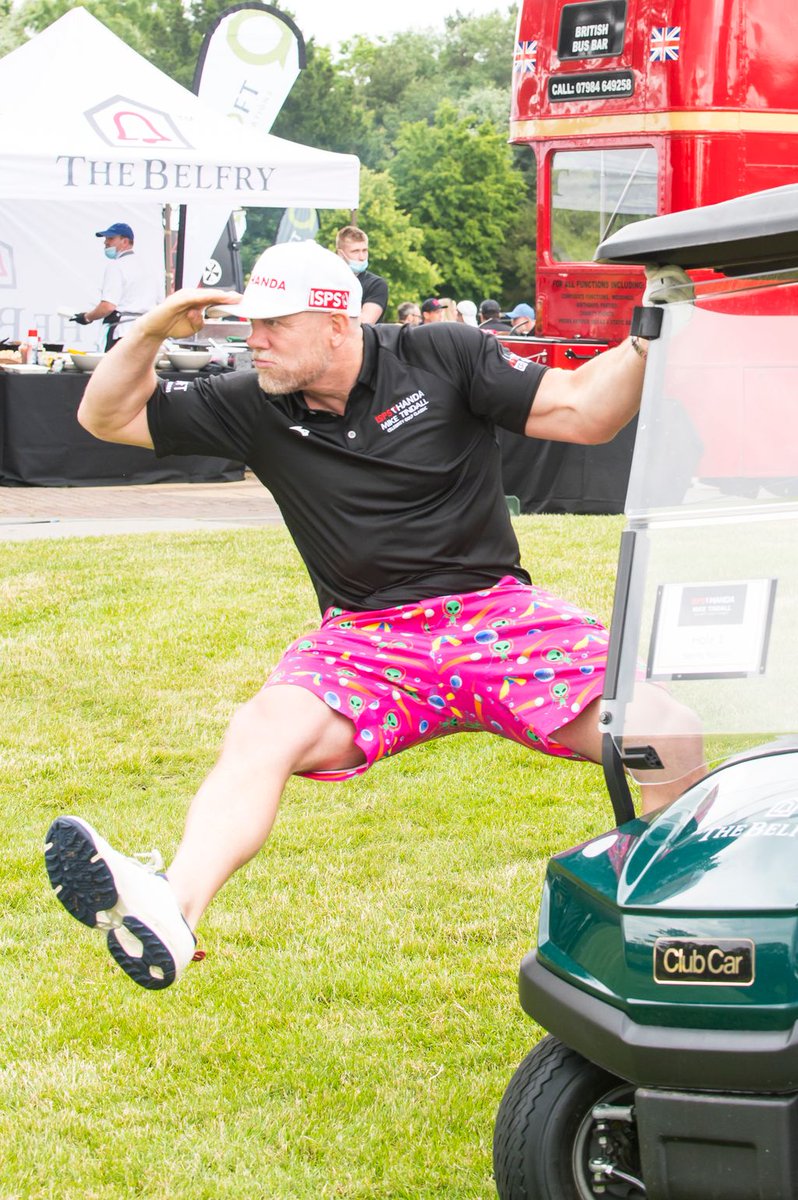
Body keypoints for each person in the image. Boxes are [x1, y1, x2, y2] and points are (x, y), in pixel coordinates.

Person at [44, 241, 703, 992]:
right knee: (263, 729)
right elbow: (106, 417)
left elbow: (585, 412)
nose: (252, 341)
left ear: (335, 324)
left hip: (495, 614)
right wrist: (155, 327)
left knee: (664, 730)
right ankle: (172, 907)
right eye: (250, 325)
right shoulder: (250, 401)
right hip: (365, 640)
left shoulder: (442, 354)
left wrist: (649, 337)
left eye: (272, 325)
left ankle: (672, 930)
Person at [72, 222, 163, 351]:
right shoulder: (150, 268)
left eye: (111, 238)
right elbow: (161, 304)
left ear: (125, 242)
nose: (105, 243)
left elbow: (107, 307)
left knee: (116, 371)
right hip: (148, 333)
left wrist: (87, 317)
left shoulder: (116, 266)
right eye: (105, 239)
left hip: (123, 334)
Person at [334, 225, 387, 324]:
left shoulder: (376, 284)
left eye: (365, 251)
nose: (362, 257)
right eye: (355, 251)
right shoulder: (327, 280)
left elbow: (365, 323)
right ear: (340, 254)